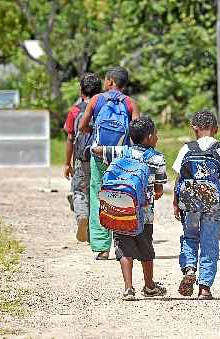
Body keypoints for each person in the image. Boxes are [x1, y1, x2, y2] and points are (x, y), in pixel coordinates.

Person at [92, 117, 167, 300]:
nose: (157, 137)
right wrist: (156, 191)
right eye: (155, 134)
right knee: (146, 249)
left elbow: (95, 150)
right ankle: (149, 286)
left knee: (124, 248)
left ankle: (128, 288)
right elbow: (159, 188)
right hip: (144, 212)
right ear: (149, 137)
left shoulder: (121, 152)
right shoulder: (157, 158)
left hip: (120, 208)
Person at [172, 110, 220, 299]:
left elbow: (179, 179)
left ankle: (189, 269)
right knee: (209, 243)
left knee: (189, 237)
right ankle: (204, 289)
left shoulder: (186, 149)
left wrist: (176, 203)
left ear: (194, 129)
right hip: (213, 205)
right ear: (216, 129)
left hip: (189, 203)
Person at [79, 66, 140, 260]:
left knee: (98, 196)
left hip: (98, 155)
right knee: (120, 196)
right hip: (121, 157)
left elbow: (82, 125)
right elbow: (137, 132)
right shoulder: (131, 103)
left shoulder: (97, 100)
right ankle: (121, 244)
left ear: (110, 82)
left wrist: (95, 130)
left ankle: (102, 247)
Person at [63, 73, 102, 242]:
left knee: (80, 191)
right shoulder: (103, 109)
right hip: (102, 157)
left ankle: (81, 217)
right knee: (99, 192)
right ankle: (99, 229)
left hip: (81, 159)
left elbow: (70, 138)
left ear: (81, 91)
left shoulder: (74, 111)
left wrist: (67, 163)